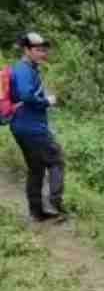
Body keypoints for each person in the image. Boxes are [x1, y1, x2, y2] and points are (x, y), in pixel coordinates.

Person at [10, 32, 65, 221]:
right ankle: (53, 204)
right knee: (56, 159)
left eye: (44, 50)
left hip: (22, 125)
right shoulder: (24, 69)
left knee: (36, 168)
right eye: (38, 50)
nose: (43, 53)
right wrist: (47, 101)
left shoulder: (25, 68)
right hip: (31, 128)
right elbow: (26, 95)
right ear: (27, 50)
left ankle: (37, 212)